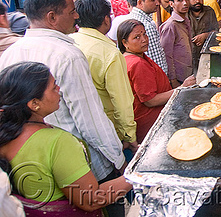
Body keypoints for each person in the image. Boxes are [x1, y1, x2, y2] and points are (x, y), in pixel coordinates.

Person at [0, 0, 126, 187]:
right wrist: (118, 160)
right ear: (52, 17)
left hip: (33, 166)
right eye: (72, 11)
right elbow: (90, 119)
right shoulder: (67, 55)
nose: (77, 16)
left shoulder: (11, 53)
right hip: (83, 165)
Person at [0, 62, 132, 215]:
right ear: (34, 103)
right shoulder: (57, 142)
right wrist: (134, 176)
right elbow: (90, 200)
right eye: (53, 87)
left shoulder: (6, 135)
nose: (59, 90)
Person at [71, 0, 138, 154]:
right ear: (106, 19)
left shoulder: (71, 41)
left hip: (78, 128)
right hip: (108, 130)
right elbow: (122, 101)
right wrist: (130, 137)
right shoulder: (109, 53)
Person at [118, 19, 195, 143]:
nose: (144, 39)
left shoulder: (133, 57)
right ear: (125, 42)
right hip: (150, 122)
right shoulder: (137, 63)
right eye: (137, 37)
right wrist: (182, 87)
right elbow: (150, 100)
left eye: (144, 34)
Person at [128, 0, 169, 75]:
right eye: (153, 0)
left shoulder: (131, 19)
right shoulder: (145, 26)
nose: (158, 3)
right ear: (140, 2)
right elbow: (157, 61)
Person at [159, 0, 193, 87]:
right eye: (180, 0)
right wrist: (173, 80)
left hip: (187, 73)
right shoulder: (170, 26)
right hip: (178, 78)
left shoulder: (186, 21)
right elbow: (166, 55)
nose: (185, 3)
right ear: (171, 4)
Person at [188, 0, 218, 70]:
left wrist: (205, 35)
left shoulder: (209, 11)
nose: (197, 1)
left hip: (206, 57)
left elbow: (216, 32)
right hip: (189, 59)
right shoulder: (183, 14)